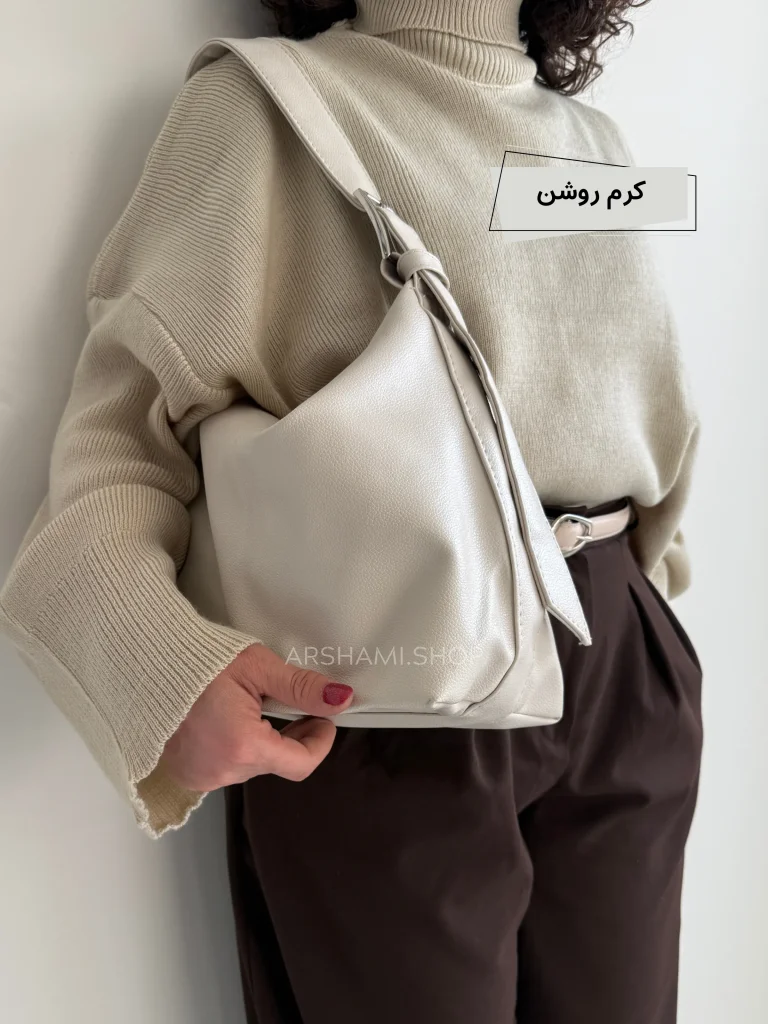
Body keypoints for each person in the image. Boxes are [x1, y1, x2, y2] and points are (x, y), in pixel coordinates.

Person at [0, 1, 702, 1021]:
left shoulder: (597, 144)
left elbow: (641, 402)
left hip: (620, 660)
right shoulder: (262, 108)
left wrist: (652, 620)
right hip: (394, 677)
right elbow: (114, 454)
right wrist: (166, 674)